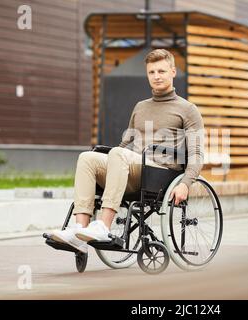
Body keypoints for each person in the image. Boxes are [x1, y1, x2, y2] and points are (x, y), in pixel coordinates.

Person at [51, 49, 204, 253]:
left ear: (173, 72)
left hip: (161, 174)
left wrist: (186, 183)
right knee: (87, 157)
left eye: (162, 71)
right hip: (133, 168)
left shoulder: (188, 109)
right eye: (152, 72)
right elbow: (124, 146)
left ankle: (104, 227)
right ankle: (80, 230)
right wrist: (107, 159)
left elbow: (197, 154)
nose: (157, 76)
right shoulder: (140, 107)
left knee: (118, 154)